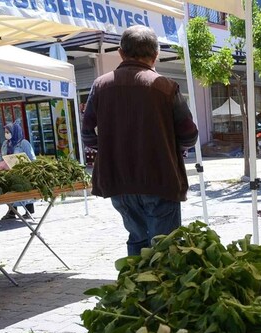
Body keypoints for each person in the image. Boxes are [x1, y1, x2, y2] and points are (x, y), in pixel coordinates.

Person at [81, 25, 199, 257]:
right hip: (160, 178)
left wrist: (111, 150)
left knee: (138, 239)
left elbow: (87, 134)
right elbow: (189, 134)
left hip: (119, 182)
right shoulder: (165, 87)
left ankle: (138, 289)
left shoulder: (100, 86)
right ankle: (159, 292)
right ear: (155, 55)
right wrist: (176, 150)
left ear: (121, 53)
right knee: (165, 247)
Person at [0, 122, 36, 220]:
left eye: (8, 132)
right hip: (8, 173)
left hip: (23, 172)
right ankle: (12, 211)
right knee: (10, 191)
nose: (6, 134)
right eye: (5, 132)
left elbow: (32, 158)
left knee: (25, 190)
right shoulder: (5, 144)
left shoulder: (24, 143)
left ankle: (29, 211)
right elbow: (1, 157)